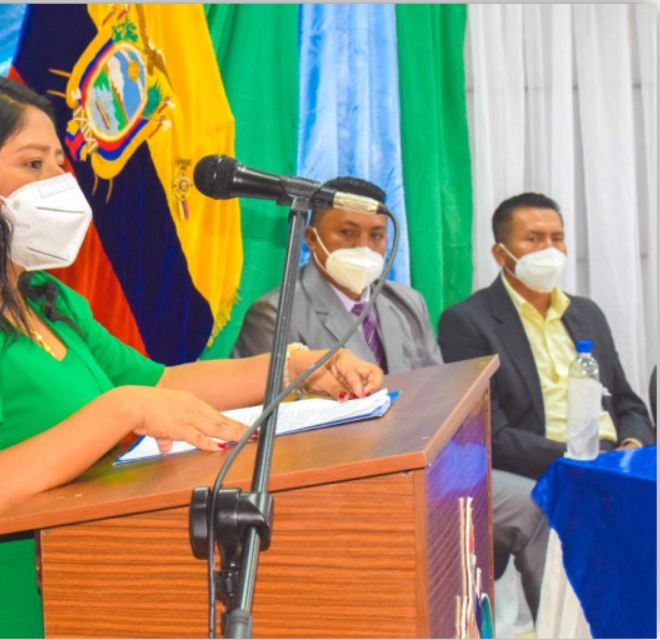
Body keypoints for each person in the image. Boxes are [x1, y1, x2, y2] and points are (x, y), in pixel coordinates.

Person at [0, 75, 383, 638]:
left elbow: (161, 385)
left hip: (73, 612)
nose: (59, 183)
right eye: (33, 164)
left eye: (60, 164)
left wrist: (295, 368)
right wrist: (121, 410)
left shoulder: (44, 300)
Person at [438, 192, 655, 622]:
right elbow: (491, 433)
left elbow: (627, 402)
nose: (549, 250)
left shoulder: (586, 313)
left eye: (557, 238)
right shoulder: (468, 322)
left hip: (614, 459)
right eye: (533, 239)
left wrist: (630, 447)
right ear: (500, 253)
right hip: (546, 464)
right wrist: (580, 461)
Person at [232, 176, 442, 375]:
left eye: (376, 235)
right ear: (311, 238)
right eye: (347, 233)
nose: (363, 247)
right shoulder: (276, 315)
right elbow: (264, 397)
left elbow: (437, 385)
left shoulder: (409, 303)